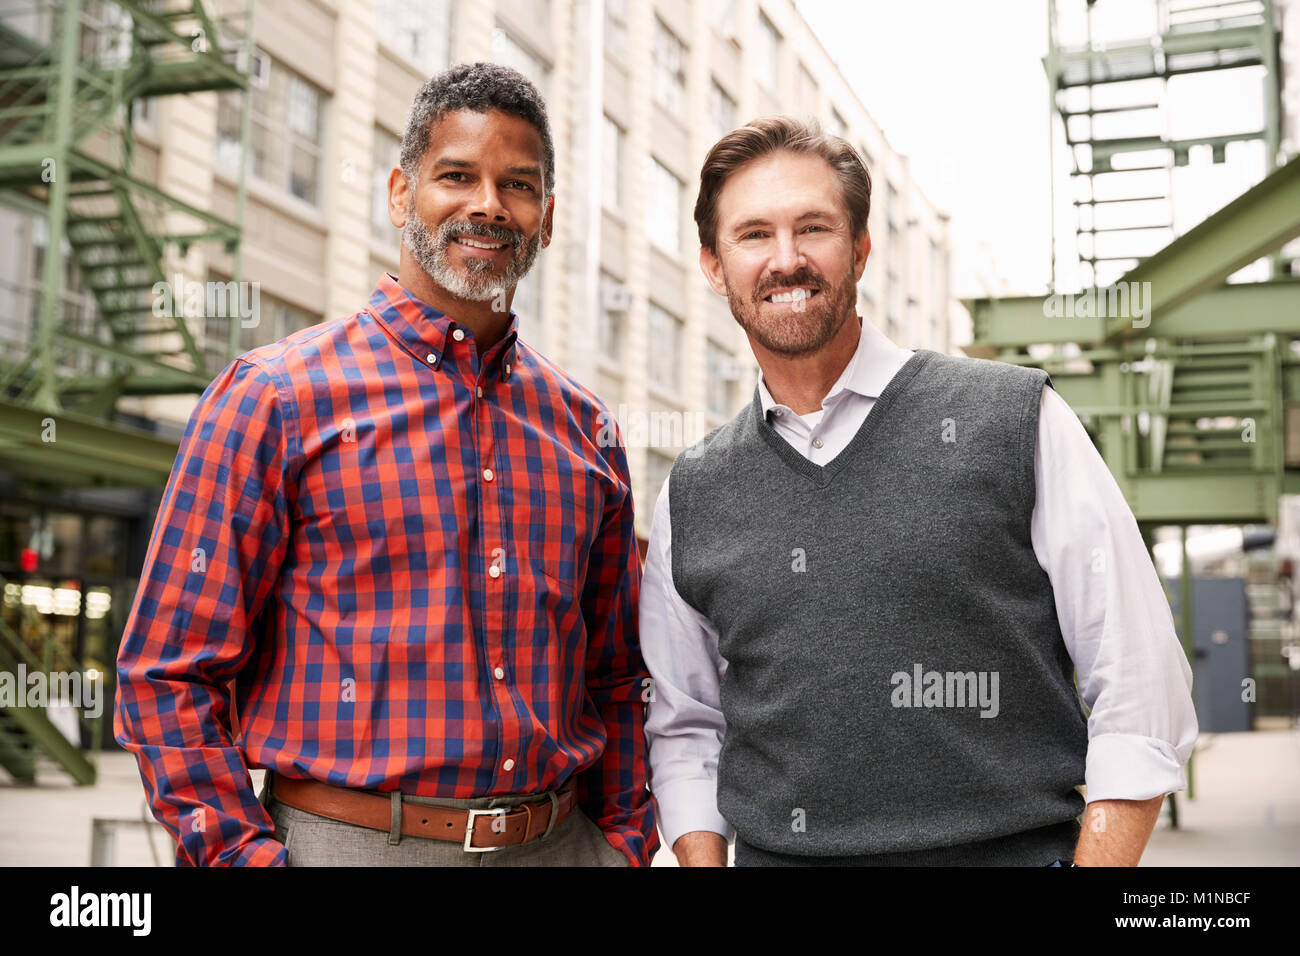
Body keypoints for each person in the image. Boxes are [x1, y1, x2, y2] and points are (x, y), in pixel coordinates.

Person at [115, 62, 657, 867]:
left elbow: (617, 678)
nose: (487, 205)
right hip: (352, 844)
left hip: (563, 845)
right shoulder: (275, 397)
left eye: (518, 185)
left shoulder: (587, 431)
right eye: (457, 176)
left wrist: (623, 846)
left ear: (545, 218)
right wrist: (244, 861)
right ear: (402, 194)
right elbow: (166, 674)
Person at [640, 116, 1197, 867]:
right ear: (713, 264)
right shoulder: (695, 490)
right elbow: (687, 727)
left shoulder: (1015, 420)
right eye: (753, 235)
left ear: (862, 248)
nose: (787, 259)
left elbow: (1141, 680)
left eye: (815, 228)